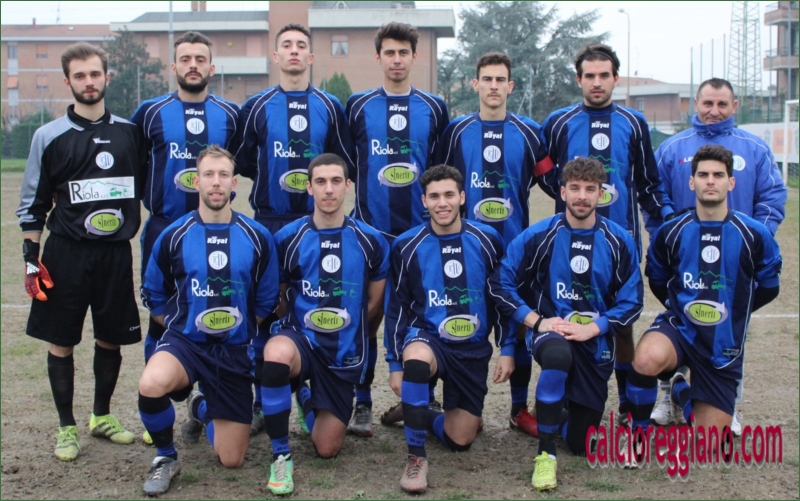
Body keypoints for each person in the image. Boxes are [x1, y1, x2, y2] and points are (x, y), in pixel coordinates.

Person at [16, 42, 147, 461]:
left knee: (111, 339)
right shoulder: (48, 136)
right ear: (67, 81)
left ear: (106, 77)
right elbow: (33, 203)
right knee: (61, 341)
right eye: (80, 76)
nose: (88, 82)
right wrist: (31, 258)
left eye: (94, 74)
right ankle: (66, 427)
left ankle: (101, 416)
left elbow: (148, 189)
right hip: (66, 254)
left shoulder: (130, 133)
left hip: (115, 254)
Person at [489, 157, 643, 490]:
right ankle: (545, 456)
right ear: (562, 192)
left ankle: (554, 410)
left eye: (590, 189)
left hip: (594, 343)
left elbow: (632, 302)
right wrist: (536, 321)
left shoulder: (619, 241)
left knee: (581, 443)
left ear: (601, 194)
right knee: (558, 355)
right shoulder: (540, 235)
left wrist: (594, 328)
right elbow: (500, 282)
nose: (582, 196)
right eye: (575, 188)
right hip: (552, 333)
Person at [539, 43, 674, 424]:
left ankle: (629, 404)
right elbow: (545, 172)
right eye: (590, 76)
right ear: (578, 79)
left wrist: (668, 225)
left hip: (621, 243)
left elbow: (647, 182)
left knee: (622, 327)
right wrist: (571, 202)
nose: (596, 83)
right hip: (569, 242)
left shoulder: (634, 122)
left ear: (615, 78)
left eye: (604, 75)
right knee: (567, 320)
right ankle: (566, 399)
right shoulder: (559, 122)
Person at [646, 78, 787, 433]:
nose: (714, 111)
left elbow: (772, 198)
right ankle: (666, 395)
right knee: (676, 327)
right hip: (685, 262)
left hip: (735, 265)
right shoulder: (673, 147)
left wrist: (749, 245)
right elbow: (654, 196)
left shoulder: (754, 148)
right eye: (708, 103)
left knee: (731, 330)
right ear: (696, 103)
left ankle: (729, 403)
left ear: (734, 107)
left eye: (722, 104)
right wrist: (669, 237)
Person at [235, 24, 355, 435]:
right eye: (286, 45)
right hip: (270, 221)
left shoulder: (329, 106)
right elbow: (244, 161)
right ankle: (261, 399)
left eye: (301, 45)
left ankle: (312, 390)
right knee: (268, 307)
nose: (293, 51)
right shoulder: (256, 106)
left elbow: (340, 162)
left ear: (311, 57)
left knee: (318, 303)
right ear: (275, 56)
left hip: (318, 226)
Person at [138, 145, 279, 496]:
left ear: (234, 183)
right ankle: (165, 457)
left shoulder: (257, 236)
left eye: (223, 175)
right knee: (151, 383)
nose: (216, 182)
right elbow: (153, 292)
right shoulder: (174, 234)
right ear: (196, 182)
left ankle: (200, 407)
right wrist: (180, 324)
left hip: (233, 351)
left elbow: (266, 298)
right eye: (208, 175)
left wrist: (240, 328)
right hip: (186, 344)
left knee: (232, 460)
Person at [626, 144, 781, 459]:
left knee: (708, 447)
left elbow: (769, 287)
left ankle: (680, 390)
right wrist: (680, 309)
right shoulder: (671, 231)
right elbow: (657, 280)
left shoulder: (754, 235)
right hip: (681, 329)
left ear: (731, 182)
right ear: (692, 181)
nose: (711, 181)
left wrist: (735, 312)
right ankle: (637, 437)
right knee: (646, 359)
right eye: (703, 174)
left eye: (718, 175)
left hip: (724, 345)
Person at [131, 30, 240, 445]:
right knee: (159, 313)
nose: (193, 65)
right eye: (186, 58)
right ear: (173, 66)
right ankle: (162, 400)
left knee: (218, 310)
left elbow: (240, 165)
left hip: (217, 231)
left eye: (200, 59)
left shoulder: (230, 114)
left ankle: (211, 395)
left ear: (212, 67)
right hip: (164, 227)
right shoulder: (149, 112)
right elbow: (137, 164)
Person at [437, 51, 553, 438]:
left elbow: (552, 183)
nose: (493, 86)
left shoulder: (530, 132)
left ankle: (519, 409)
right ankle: (450, 404)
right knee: (457, 322)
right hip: (463, 249)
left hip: (514, 250)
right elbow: (440, 184)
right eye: (486, 79)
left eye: (500, 79)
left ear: (510, 86)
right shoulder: (456, 131)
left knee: (517, 325)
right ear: (475, 84)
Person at [261, 153, 389, 495]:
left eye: (335, 181)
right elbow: (280, 298)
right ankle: (280, 455)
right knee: (276, 353)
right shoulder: (287, 238)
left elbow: (373, 303)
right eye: (320, 182)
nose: (328, 189)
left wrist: (350, 329)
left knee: (327, 448)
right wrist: (294, 329)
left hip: (341, 354)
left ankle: (305, 397)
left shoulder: (371, 240)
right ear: (309, 187)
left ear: (348, 186)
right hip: (301, 341)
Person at [347, 22, 450, 435]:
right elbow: (347, 163)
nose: (396, 59)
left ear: (414, 57)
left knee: (427, 315)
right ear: (378, 57)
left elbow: (440, 168)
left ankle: (425, 397)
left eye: (403, 52)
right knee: (368, 316)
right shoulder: (357, 106)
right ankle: (362, 401)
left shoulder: (434, 107)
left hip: (422, 235)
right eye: (389, 52)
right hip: (371, 234)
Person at [385, 165, 512, 494]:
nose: (442, 203)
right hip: (428, 338)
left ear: (462, 197)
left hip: (471, 349)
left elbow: (502, 298)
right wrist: (395, 363)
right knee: (416, 362)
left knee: (460, 440)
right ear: (424, 201)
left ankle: (417, 411)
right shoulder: (406, 245)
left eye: (449, 195)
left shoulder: (488, 240)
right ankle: (416, 459)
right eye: (434, 196)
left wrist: (508, 348)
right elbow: (396, 308)